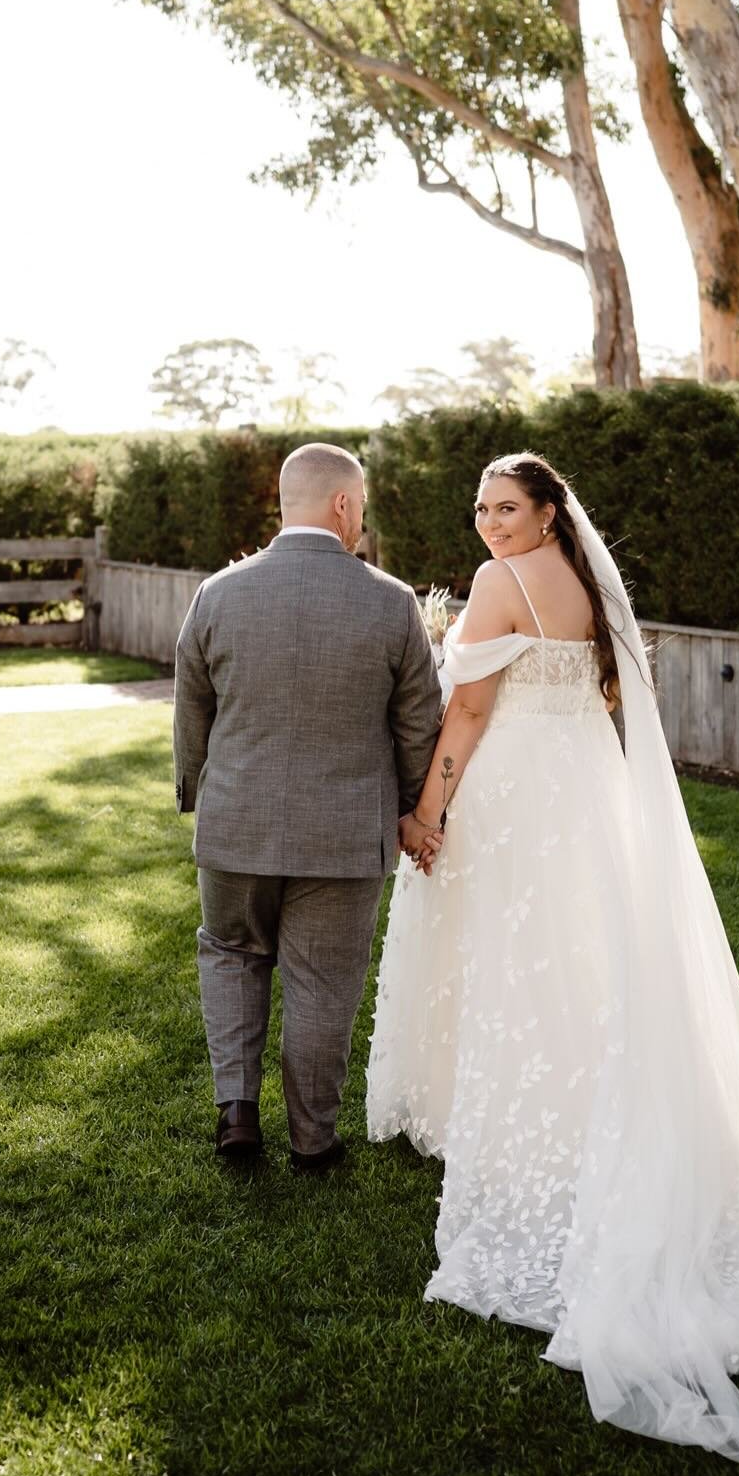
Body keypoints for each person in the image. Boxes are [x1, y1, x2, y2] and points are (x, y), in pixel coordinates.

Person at [367, 452, 739, 1461]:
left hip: (516, 792)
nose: (488, 524)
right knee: (585, 964)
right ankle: (594, 1109)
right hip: (585, 792)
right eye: (479, 509)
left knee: (515, 957)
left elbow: (467, 710)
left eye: (507, 507)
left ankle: (531, 1131)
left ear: (550, 512)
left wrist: (427, 808)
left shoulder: (499, 585)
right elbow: (600, 703)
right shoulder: (591, 588)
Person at [174, 443, 442, 1172]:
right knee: (323, 983)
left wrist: (197, 792)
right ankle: (313, 1140)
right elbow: (420, 722)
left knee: (231, 955)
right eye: (363, 508)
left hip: (235, 825)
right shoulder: (391, 602)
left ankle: (236, 1108)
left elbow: (191, 706)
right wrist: (420, 809)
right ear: (344, 505)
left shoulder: (217, 594)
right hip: (344, 834)